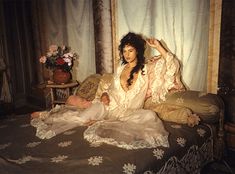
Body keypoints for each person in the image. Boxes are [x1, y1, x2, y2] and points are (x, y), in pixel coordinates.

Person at [31, 32, 200, 149]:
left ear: (138, 51)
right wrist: (104, 95)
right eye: (124, 51)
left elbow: (172, 65)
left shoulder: (147, 69)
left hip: (128, 112)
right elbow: (111, 89)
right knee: (82, 117)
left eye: (130, 50)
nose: (126, 54)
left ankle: (101, 122)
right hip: (109, 106)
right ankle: (47, 115)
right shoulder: (120, 68)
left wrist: (159, 46)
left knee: (149, 116)